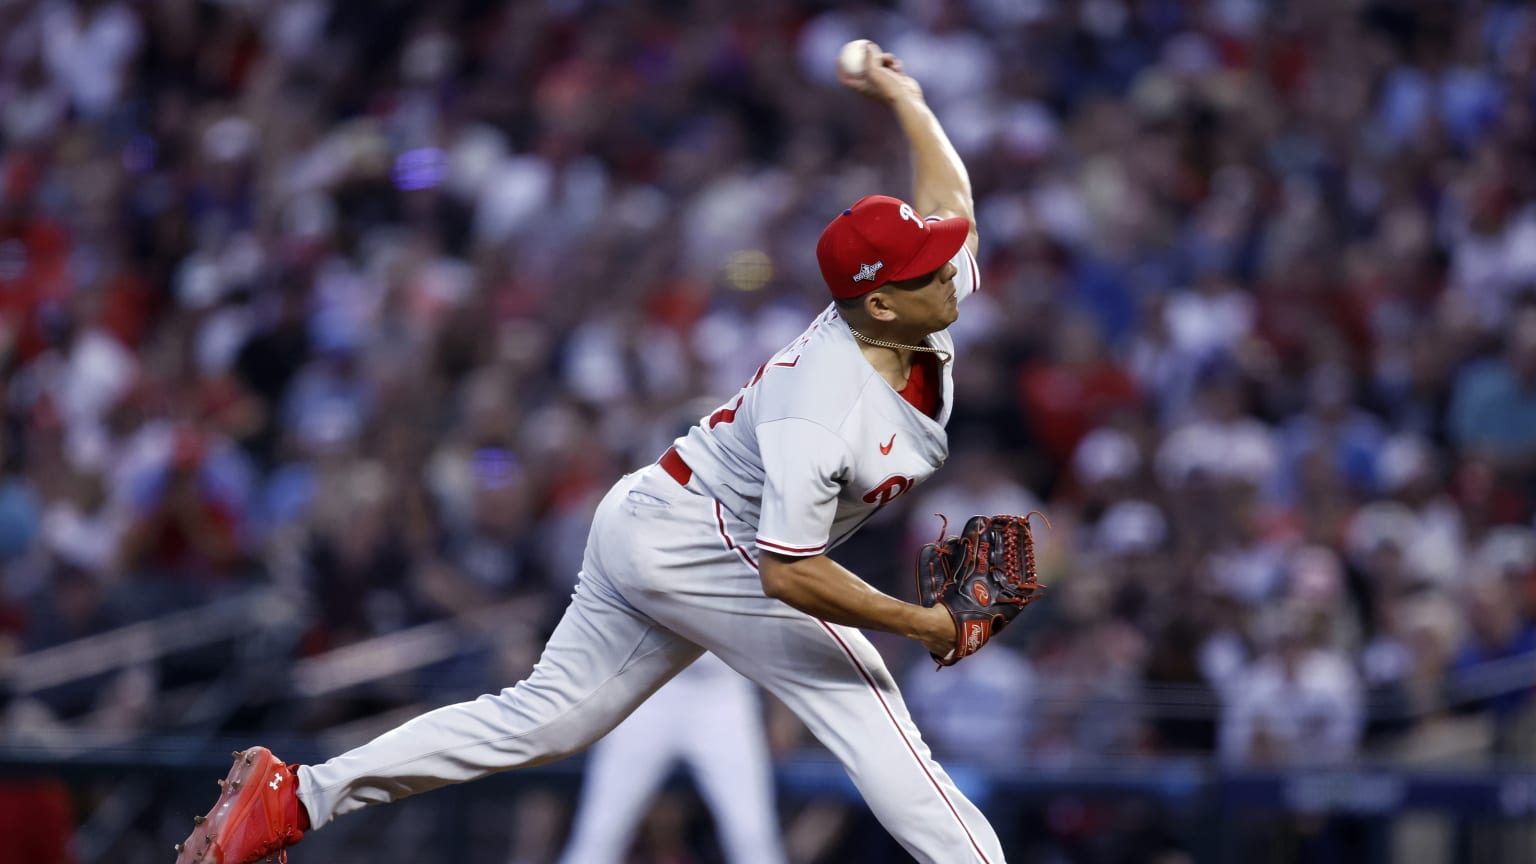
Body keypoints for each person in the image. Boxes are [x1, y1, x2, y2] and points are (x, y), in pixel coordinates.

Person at [176, 43, 1010, 864]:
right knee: (868, 704)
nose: (951, 276)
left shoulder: (913, 306)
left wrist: (908, 103)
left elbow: (951, 204)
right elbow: (786, 572)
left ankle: (298, 797)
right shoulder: (821, 407)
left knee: (544, 721)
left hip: (662, 515)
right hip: (710, 539)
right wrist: (921, 623)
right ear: (877, 300)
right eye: (925, 273)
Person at [554, 654, 785, 864]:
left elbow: (774, 629)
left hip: (723, 691)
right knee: (600, 832)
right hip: (647, 688)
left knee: (752, 835)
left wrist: (782, 712)